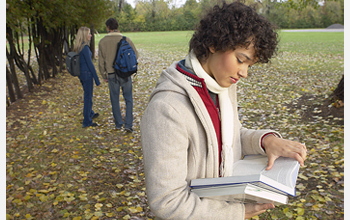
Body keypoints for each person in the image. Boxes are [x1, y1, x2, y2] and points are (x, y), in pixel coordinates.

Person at [140, 2, 307, 220]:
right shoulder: (167, 109)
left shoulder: (221, 85)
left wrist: (266, 141)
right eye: (240, 60)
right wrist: (236, 213)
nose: (244, 73)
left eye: (250, 65)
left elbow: (227, 137)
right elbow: (167, 201)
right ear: (212, 43)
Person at [98, 18, 139, 132]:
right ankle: (129, 124)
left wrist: (103, 75)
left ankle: (118, 123)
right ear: (117, 26)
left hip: (111, 74)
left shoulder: (102, 42)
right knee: (128, 99)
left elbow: (101, 62)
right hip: (125, 73)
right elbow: (135, 55)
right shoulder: (126, 39)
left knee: (114, 99)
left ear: (107, 28)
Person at [74, 26, 101, 128]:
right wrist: (97, 80)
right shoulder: (84, 48)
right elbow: (90, 65)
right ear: (85, 35)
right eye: (89, 33)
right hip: (87, 75)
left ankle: (90, 113)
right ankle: (87, 121)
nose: (90, 35)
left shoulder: (79, 46)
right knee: (88, 98)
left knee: (87, 95)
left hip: (82, 74)